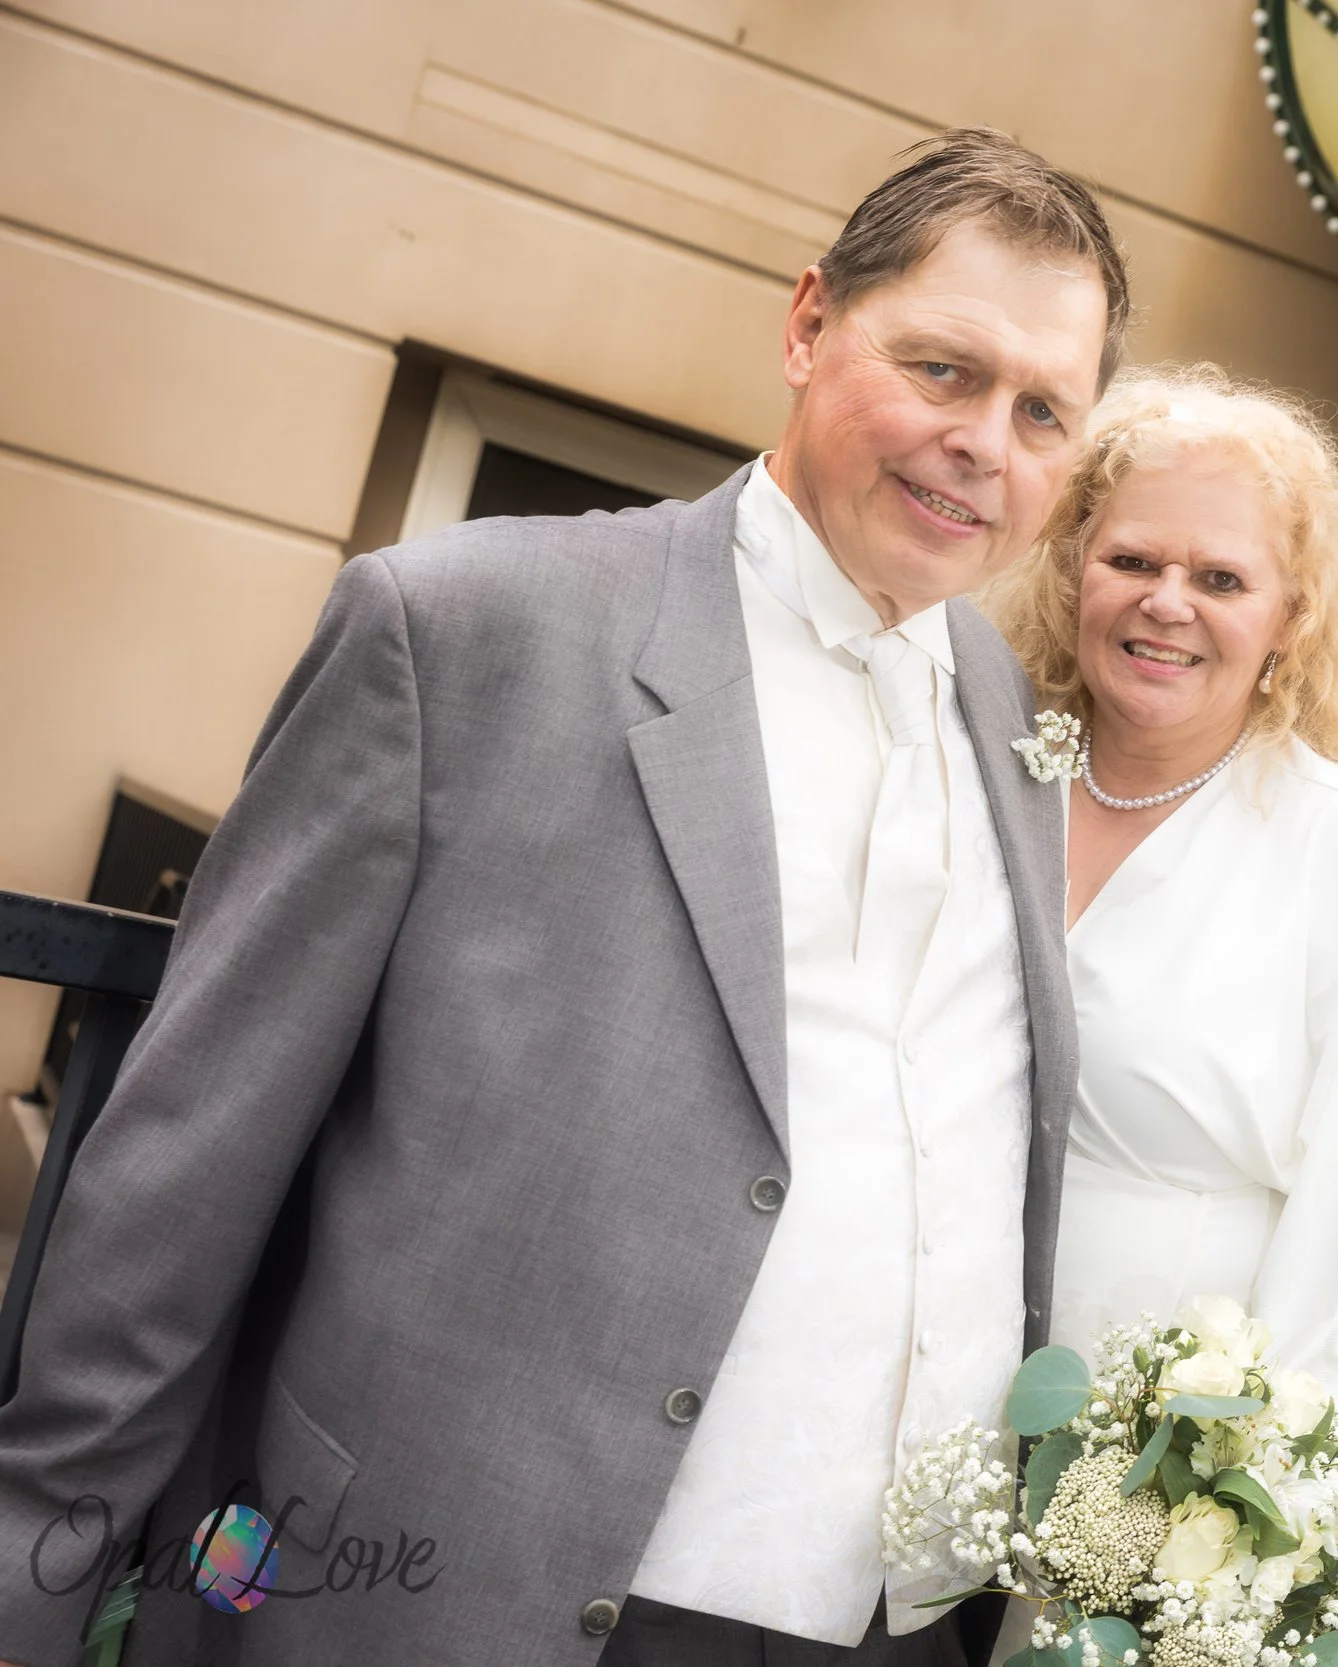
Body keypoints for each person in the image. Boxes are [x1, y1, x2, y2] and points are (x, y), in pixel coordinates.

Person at [0, 129, 1124, 1667]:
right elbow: (184, 1172)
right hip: (477, 1592)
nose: (987, 440)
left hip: (895, 1623)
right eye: (942, 369)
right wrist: (34, 1570)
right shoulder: (461, 631)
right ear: (808, 324)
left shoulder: (1018, 719)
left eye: (1043, 410)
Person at [985, 367, 1338, 1447]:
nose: (1168, 601)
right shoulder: (984, 767)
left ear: (1292, 615)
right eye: (1132, 559)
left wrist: (1267, 1516)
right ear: (1071, 570)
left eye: (1221, 577)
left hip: (1146, 1455)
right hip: (907, 1405)